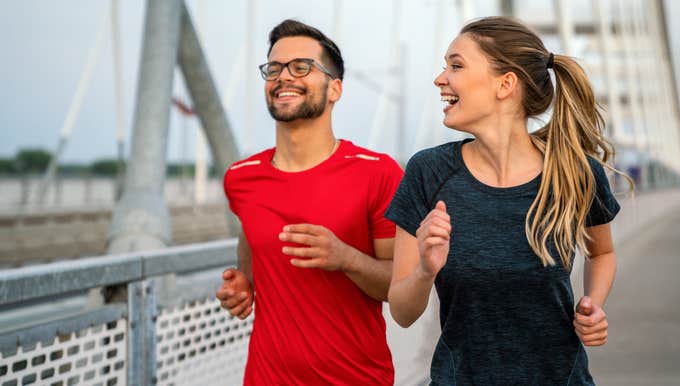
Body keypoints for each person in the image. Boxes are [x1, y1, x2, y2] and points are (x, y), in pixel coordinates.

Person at [386, 17, 627, 385]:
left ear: (506, 84)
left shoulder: (574, 173)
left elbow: (602, 253)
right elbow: (402, 312)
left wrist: (593, 303)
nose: (440, 79)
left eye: (456, 65)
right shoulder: (428, 172)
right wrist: (424, 268)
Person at [215, 19, 402, 385]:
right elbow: (251, 250)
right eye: (274, 68)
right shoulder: (241, 177)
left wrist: (345, 257)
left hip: (356, 379)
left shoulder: (378, 172)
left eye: (301, 67)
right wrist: (243, 286)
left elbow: (397, 286)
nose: (284, 76)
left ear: (335, 89)